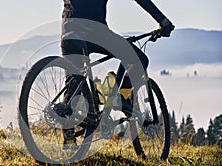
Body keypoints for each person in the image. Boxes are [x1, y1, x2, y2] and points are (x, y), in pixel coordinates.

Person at [61, 0, 175, 149]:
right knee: (139, 59)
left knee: (74, 78)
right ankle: (123, 96)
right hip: (95, 31)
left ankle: (69, 137)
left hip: (69, 30)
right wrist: (163, 21)